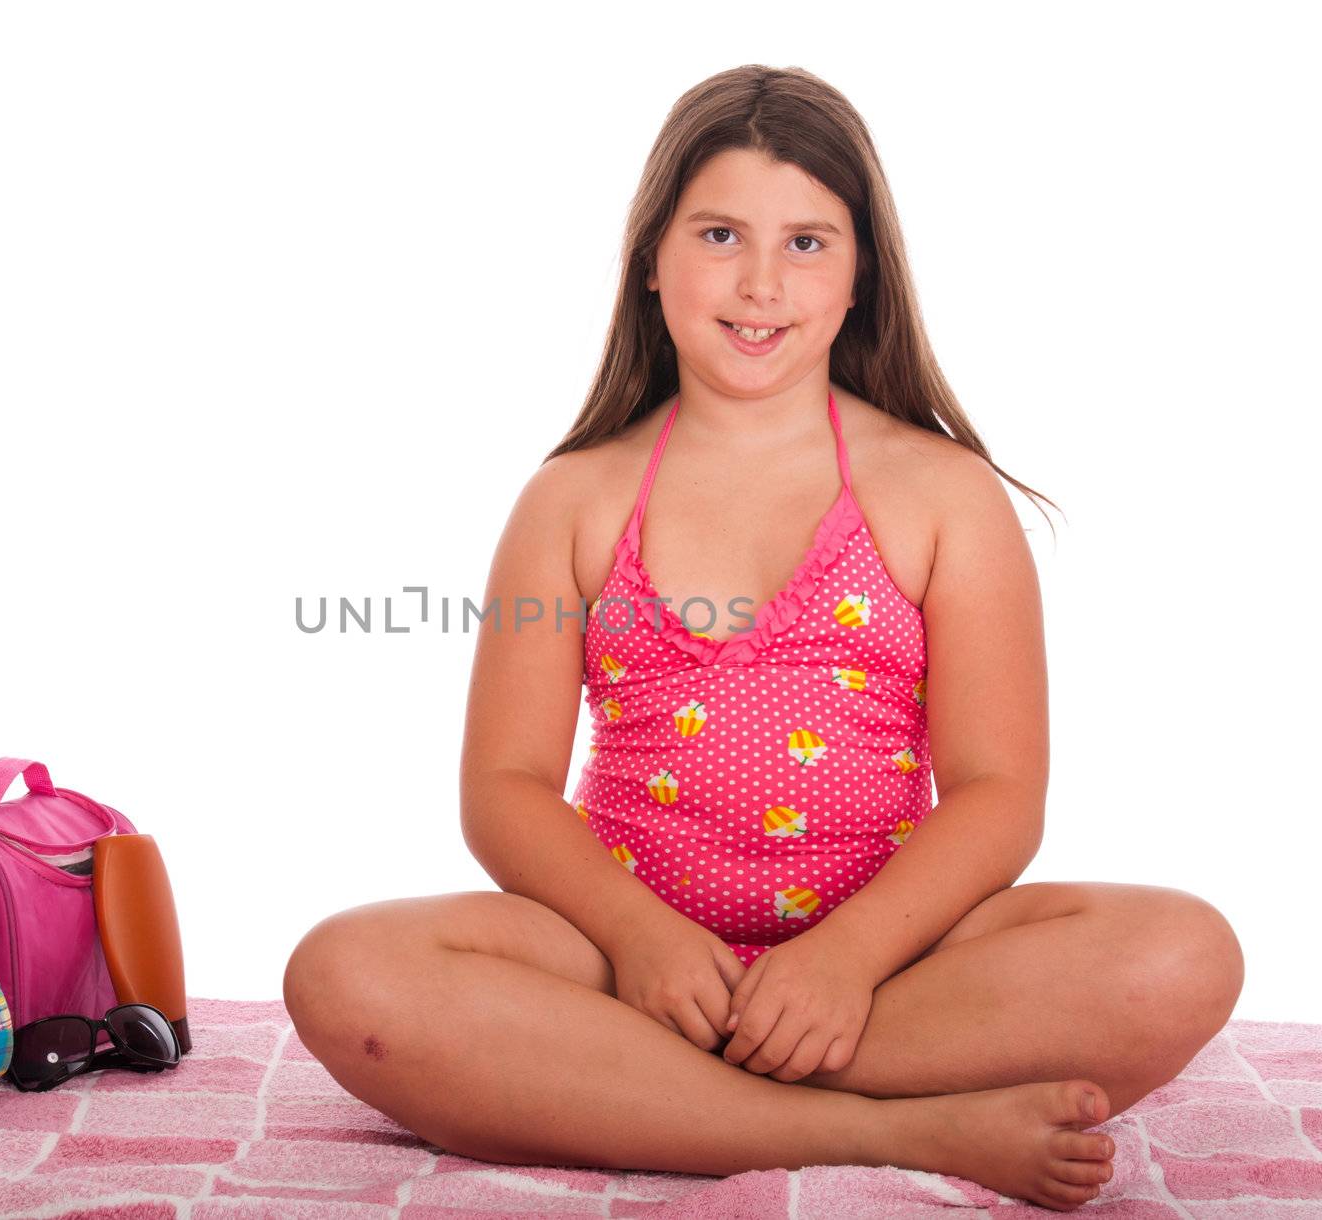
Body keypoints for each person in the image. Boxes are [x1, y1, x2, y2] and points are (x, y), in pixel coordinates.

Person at [283, 64, 1243, 1212]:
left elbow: (996, 791)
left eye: (806, 243)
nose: (758, 280)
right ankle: (897, 1127)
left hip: (887, 970)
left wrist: (842, 961)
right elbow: (505, 786)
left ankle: (645, 1095)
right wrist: (638, 941)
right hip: (620, 964)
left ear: (860, 277)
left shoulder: (940, 493)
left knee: (1182, 951)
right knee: (343, 970)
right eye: (720, 232)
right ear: (651, 259)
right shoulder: (575, 498)